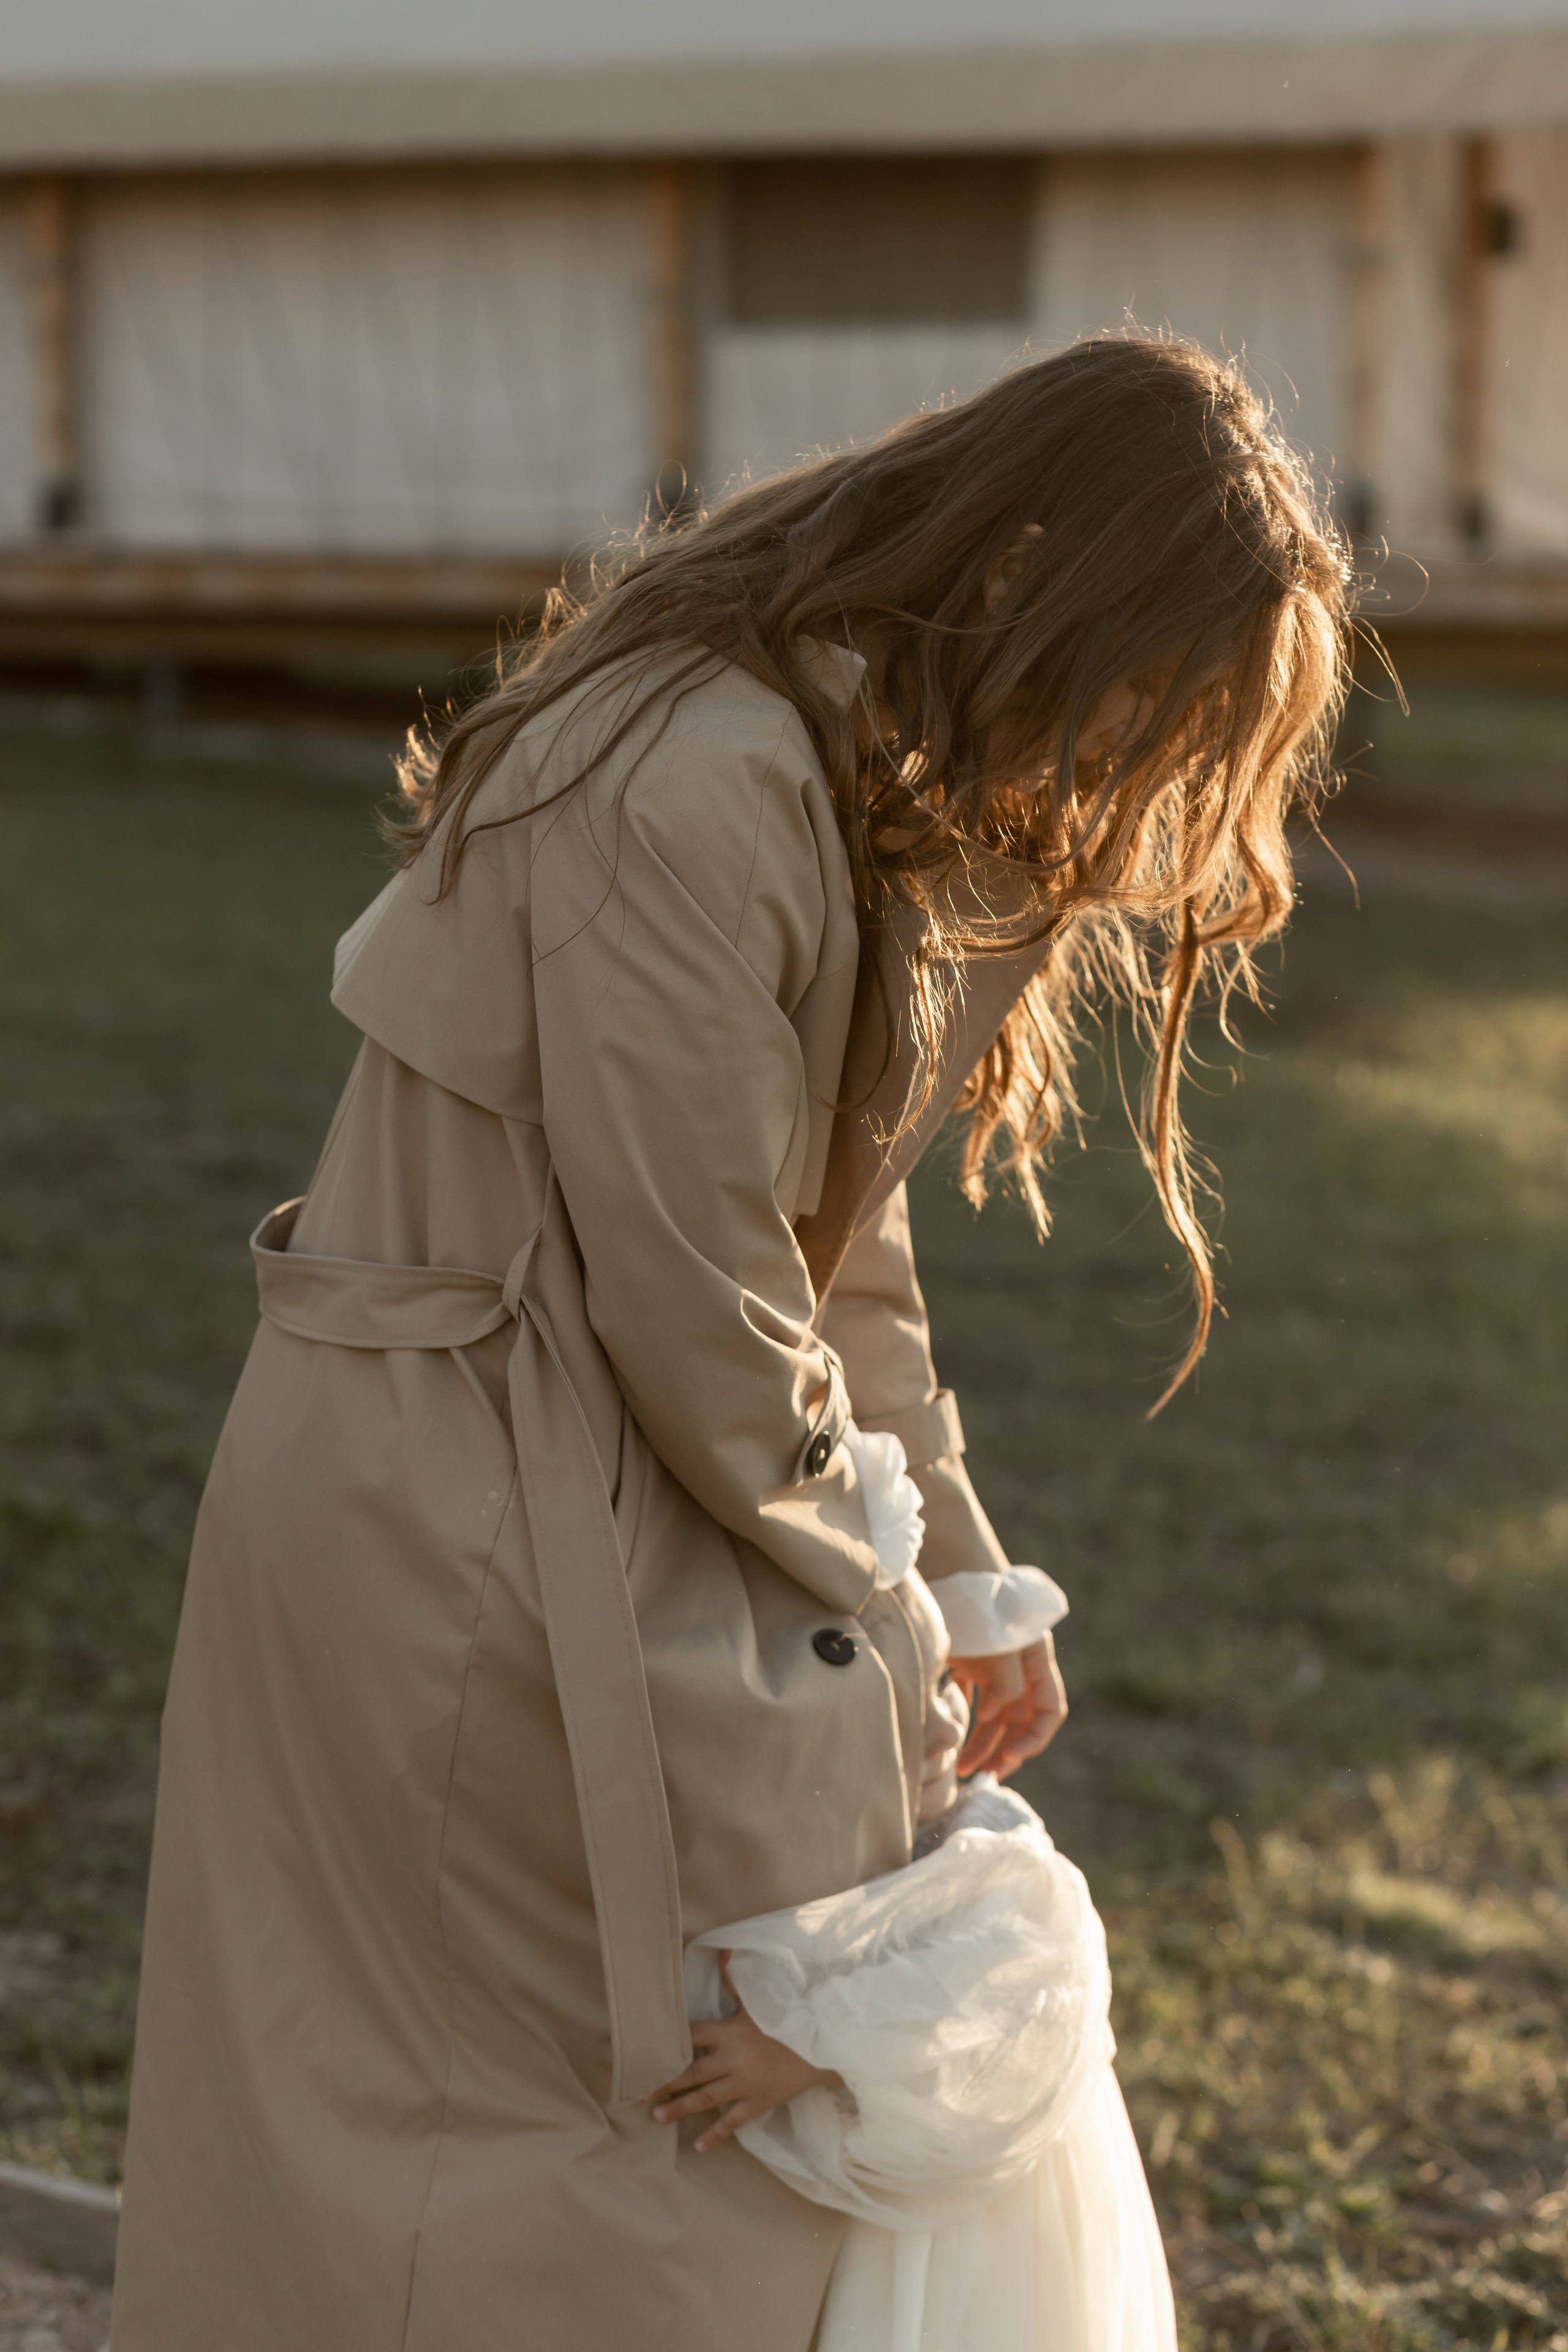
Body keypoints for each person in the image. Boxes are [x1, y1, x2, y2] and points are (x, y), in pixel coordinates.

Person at [110, 337, 1347, 2352]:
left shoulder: (851, 779)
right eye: (1163, 700)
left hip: (582, 1476)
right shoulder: (696, 773)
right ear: (1066, 600)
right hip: (467, 1517)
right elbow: (698, 1292)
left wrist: (960, 1565)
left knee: (615, 2141)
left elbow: (829, 1254)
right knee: (522, 2142)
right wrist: (887, 1627)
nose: (1146, 765)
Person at [654, 1566, 1176, 2352]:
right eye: (897, 1705)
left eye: (940, 1684)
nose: (943, 1730)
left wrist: (803, 2044)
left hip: (970, 2216)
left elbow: (991, 1987)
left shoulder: (990, 1854)